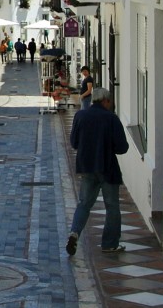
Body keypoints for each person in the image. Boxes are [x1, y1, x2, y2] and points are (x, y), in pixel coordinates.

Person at [65, 87, 129, 256]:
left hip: (86, 167)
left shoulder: (80, 116)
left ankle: (74, 232)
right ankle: (109, 243)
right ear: (106, 101)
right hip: (107, 168)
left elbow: (74, 142)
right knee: (112, 206)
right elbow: (122, 147)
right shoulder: (111, 119)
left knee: (84, 204)